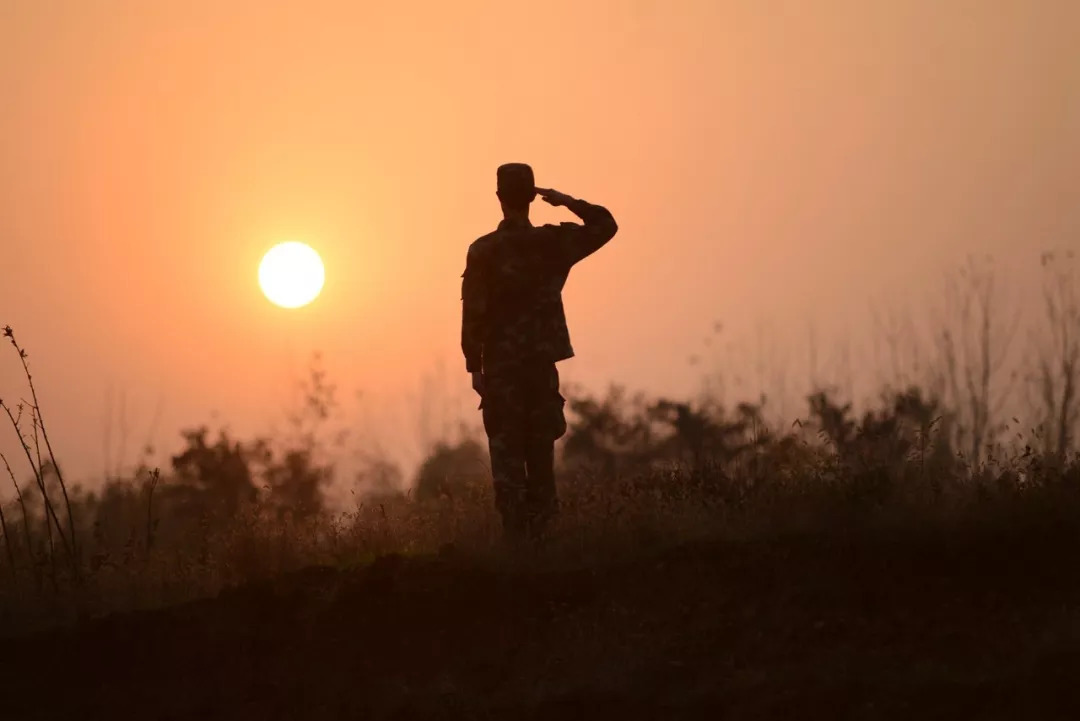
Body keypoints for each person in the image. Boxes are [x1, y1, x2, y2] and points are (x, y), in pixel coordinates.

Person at [460, 163, 618, 544]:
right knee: (541, 463)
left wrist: (474, 367)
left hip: (500, 372)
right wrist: (566, 202)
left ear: (499, 198)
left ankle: (518, 552)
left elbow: (473, 313)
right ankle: (546, 548)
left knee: (508, 469)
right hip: (539, 372)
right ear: (533, 196)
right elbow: (605, 225)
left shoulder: (483, 250)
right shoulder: (551, 244)